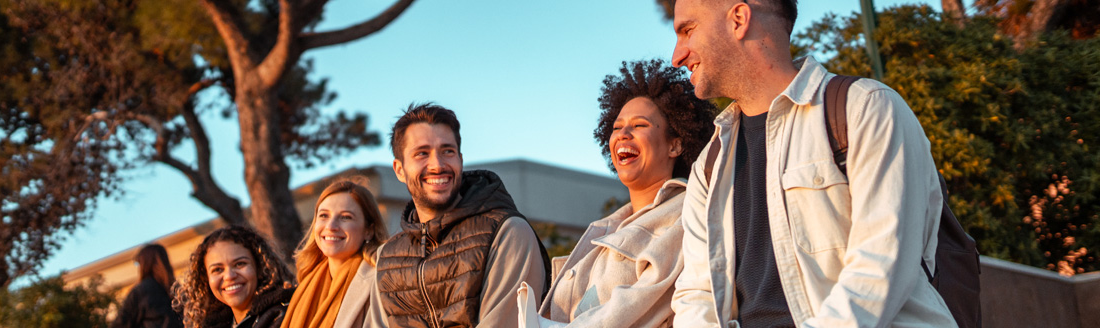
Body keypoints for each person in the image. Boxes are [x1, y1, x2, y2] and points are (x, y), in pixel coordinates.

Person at [668, 0, 957, 327]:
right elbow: (697, 295)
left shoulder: (865, 110)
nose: (677, 56)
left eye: (687, 31)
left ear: (738, 19)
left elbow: (879, 269)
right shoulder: (709, 165)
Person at [534, 59, 716, 327]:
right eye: (617, 127)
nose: (623, 134)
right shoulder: (604, 230)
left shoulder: (688, 211)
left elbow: (640, 305)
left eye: (639, 125)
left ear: (675, 145)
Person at [366, 103, 551, 328]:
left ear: (460, 160)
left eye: (447, 151)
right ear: (399, 170)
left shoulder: (507, 233)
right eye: (422, 153)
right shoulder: (388, 257)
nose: (437, 165)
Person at [279, 179, 390, 328]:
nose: (331, 226)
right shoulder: (304, 286)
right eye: (324, 216)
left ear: (369, 230)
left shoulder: (382, 280)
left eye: (345, 217)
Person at [173, 225, 296, 328]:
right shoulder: (211, 324)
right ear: (206, 280)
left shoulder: (284, 316)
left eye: (240, 264)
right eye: (217, 270)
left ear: (259, 268)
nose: (229, 276)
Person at [112, 243, 185, 328]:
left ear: (145, 264)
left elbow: (120, 324)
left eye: (139, 263)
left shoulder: (140, 292)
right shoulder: (179, 291)